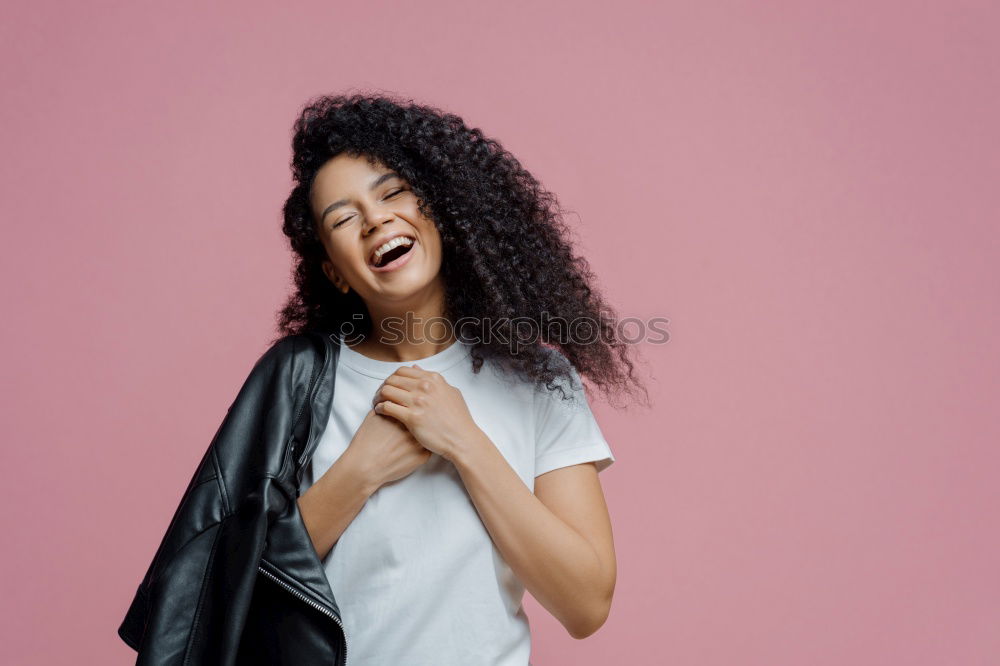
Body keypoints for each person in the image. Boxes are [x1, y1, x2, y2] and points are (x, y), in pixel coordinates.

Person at [121, 92, 649, 665]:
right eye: (343, 219)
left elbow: (586, 605)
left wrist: (465, 442)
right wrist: (360, 471)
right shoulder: (297, 379)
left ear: (440, 212)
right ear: (334, 272)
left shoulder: (540, 378)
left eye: (392, 192)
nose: (375, 220)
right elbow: (217, 595)